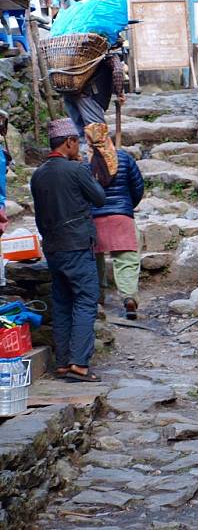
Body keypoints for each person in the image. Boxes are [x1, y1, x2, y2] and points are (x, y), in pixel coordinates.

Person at [30, 119, 105, 382]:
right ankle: (79, 364)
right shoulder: (75, 171)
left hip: (53, 247)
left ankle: (62, 363)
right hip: (76, 245)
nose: (79, 147)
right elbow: (99, 197)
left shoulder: (38, 174)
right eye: (77, 142)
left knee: (62, 302)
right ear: (69, 142)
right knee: (85, 300)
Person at [89, 125, 144, 320]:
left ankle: (97, 298)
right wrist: (127, 206)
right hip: (121, 216)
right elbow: (138, 187)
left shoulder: (85, 162)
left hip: (94, 218)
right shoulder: (125, 158)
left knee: (94, 261)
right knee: (127, 260)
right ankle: (129, 298)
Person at [62, 53, 124, 143]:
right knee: (98, 138)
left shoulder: (74, 53)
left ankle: (82, 154)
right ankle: (96, 155)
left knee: (80, 134)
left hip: (68, 92)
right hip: (89, 96)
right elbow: (118, 71)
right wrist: (119, 92)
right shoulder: (107, 53)